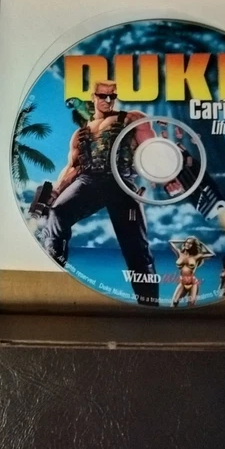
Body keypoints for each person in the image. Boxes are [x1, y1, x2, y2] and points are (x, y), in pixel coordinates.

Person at [43, 81, 161, 305]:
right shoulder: (80, 133)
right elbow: (72, 167)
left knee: (136, 246)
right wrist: (56, 191)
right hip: (89, 182)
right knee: (57, 212)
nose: (108, 100)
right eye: (103, 96)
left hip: (121, 182)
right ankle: (54, 274)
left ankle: (149, 305)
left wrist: (159, 172)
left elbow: (152, 148)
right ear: (93, 97)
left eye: (112, 96)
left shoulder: (132, 118)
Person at [170, 237, 214, 307]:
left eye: (190, 243)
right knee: (174, 303)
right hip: (183, 282)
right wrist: (183, 241)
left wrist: (201, 244)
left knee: (190, 305)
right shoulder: (180, 253)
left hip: (193, 283)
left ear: (193, 246)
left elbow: (212, 255)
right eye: (187, 242)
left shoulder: (196, 256)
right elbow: (170, 243)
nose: (188, 244)